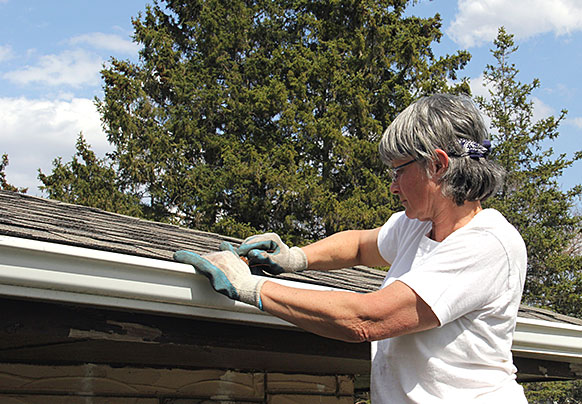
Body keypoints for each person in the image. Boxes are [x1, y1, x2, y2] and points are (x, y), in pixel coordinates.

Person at [174, 93, 528, 403]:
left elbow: (367, 318)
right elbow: (359, 245)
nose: (393, 187)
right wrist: (296, 257)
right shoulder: (418, 226)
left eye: (398, 172)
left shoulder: (487, 243)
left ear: (437, 165)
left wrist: (251, 287)